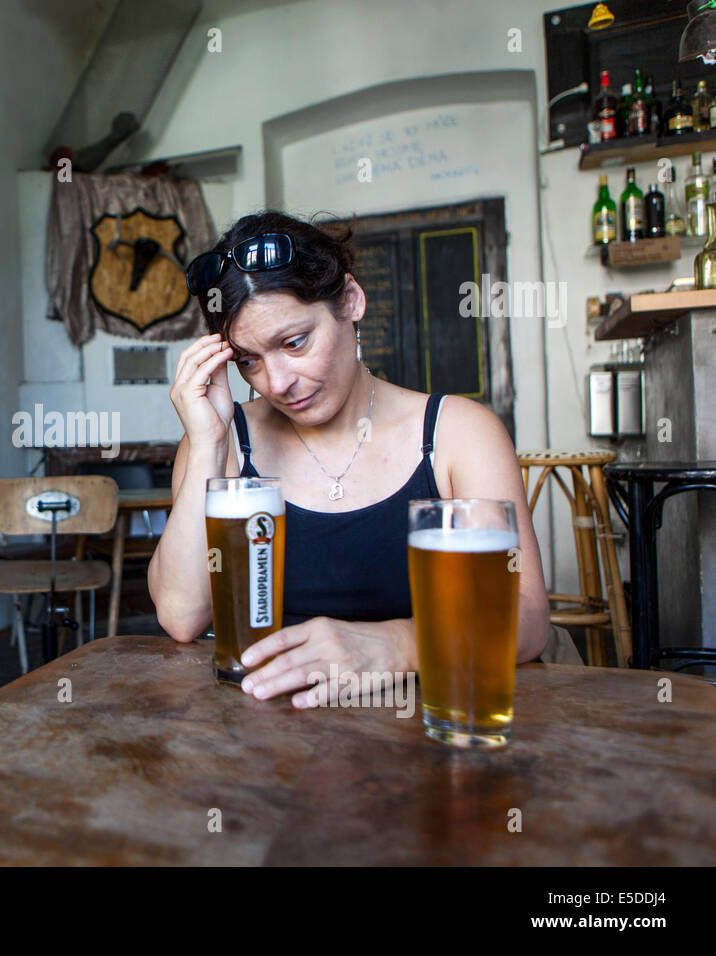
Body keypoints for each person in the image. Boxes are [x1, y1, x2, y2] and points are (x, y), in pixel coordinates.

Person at [147, 211, 551, 705]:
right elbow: (181, 616)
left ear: (351, 301)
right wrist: (209, 442)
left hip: (431, 725)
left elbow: (527, 619)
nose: (277, 383)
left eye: (295, 343)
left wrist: (402, 645)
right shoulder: (224, 440)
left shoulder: (458, 433)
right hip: (268, 740)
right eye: (248, 360)